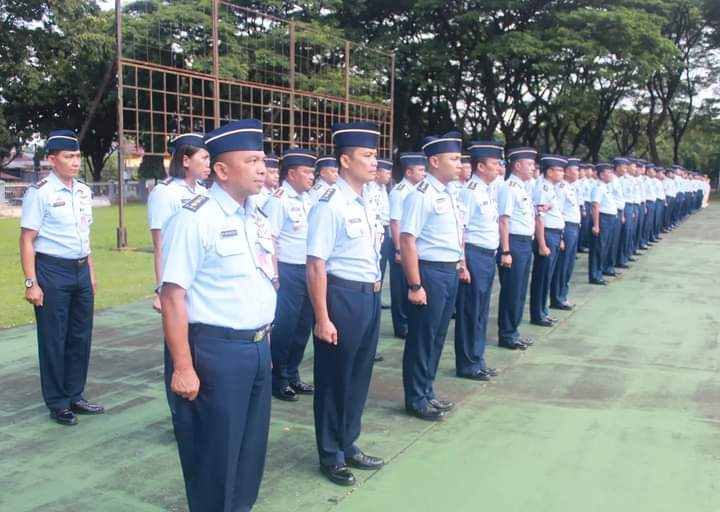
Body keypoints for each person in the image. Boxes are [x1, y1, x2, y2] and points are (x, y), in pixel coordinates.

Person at [160, 119, 277, 512]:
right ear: (223, 170)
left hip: (257, 349)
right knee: (215, 458)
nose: (262, 168)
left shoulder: (255, 217)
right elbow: (174, 295)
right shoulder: (196, 218)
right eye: (252, 160)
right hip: (215, 351)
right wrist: (182, 366)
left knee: (249, 452)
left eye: (262, 159)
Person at [306, 122, 385, 486]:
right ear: (345, 160)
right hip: (341, 296)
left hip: (369, 294)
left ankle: (348, 441)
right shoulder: (329, 204)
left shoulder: (367, 200)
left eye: (375, 154)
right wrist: (322, 317)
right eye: (367, 155)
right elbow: (316, 264)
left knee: (358, 376)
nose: (375, 161)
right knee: (335, 378)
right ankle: (330, 454)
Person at [20, 129, 104, 426]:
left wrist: (90, 273)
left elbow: (86, 234)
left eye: (77, 156)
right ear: (52, 160)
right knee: (54, 337)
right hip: (52, 270)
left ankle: (75, 394)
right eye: (68, 157)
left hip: (80, 270)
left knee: (80, 336)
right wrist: (32, 283)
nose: (75, 162)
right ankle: (57, 402)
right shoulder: (40, 192)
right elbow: (27, 239)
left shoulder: (83, 191)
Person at [400, 131, 465, 421]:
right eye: (454, 158)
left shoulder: (449, 194)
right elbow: (407, 239)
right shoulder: (421, 195)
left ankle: (427, 391)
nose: (459, 163)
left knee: (437, 336)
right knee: (422, 337)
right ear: (435, 161)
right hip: (429, 272)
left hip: (449, 271)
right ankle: (415, 398)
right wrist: (415, 284)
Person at [263, 148, 317, 402]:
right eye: (307, 172)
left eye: (312, 172)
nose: (311, 176)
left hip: (307, 269)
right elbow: (270, 239)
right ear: (292, 173)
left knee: (303, 325)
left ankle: (293, 373)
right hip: (287, 269)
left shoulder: (308, 199)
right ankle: (278, 379)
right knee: (285, 326)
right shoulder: (279, 199)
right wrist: (274, 275)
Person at [454, 141, 503, 381]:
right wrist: (462, 263)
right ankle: (467, 363)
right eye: (495, 164)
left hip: (487, 255)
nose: (499, 168)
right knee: (470, 311)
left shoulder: (486, 190)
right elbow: (461, 229)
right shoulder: (470, 191)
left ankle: (478, 358)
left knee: (482, 311)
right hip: (473, 255)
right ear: (481, 166)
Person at [147, 133, 210, 312]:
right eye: (204, 158)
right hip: (177, 277)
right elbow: (159, 245)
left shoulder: (202, 191)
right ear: (185, 160)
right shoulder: (165, 192)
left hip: (200, 276)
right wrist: (160, 290)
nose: (208, 164)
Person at [496, 147, 538, 350]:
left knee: (520, 290)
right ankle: (507, 334)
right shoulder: (509, 187)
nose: (533, 168)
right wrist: (505, 250)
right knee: (512, 290)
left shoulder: (522, 187)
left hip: (524, 242)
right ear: (518, 165)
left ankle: (514, 331)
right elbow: (504, 220)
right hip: (513, 242)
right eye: (529, 164)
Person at [388, 153, 426, 339]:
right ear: (409, 171)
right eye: (420, 170)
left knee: (409, 283)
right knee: (400, 286)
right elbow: (395, 222)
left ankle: (408, 321)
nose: (423, 174)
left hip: (411, 246)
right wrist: (398, 249)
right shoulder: (400, 191)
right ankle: (401, 324)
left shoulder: (417, 190)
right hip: (400, 246)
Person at [529, 155, 567, 327]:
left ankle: (543, 311)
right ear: (550, 171)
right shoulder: (543, 187)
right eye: (560, 170)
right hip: (546, 234)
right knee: (542, 276)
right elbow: (539, 218)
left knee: (548, 276)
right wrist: (542, 243)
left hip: (554, 233)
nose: (563, 173)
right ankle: (537, 314)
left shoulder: (551, 187)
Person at [550, 157, 581, 310]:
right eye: (575, 169)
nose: (578, 172)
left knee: (569, 264)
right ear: (567, 172)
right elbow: (560, 212)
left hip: (574, 227)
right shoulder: (561, 188)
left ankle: (563, 294)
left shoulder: (569, 187)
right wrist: (561, 235)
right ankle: (557, 297)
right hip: (566, 228)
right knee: (562, 265)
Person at [366, 158, 394, 285]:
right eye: (386, 173)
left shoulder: (383, 188)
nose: (389, 176)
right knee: (376, 265)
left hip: (385, 229)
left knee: (382, 266)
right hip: (376, 230)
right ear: (377, 173)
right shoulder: (369, 189)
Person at [588, 163, 617, 285]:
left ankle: (600, 271)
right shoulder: (598, 187)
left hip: (608, 219)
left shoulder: (605, 186)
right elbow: (595, 206)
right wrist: (596, 224)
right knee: (598, 248)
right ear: (601, 175)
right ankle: (595, 275)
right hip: (602, 219)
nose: (611, 175)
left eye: (611, 172)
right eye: (608, 173)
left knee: (604, 247)